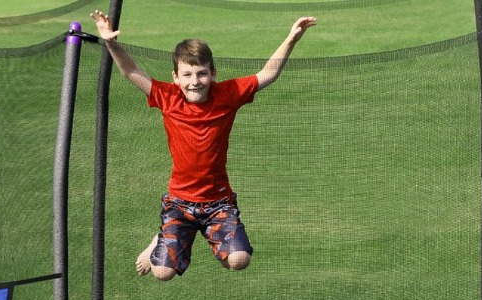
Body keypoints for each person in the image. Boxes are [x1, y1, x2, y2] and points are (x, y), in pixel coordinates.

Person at [90, 10, 318, 280]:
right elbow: (131, 71)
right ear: (175, 77)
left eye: (201, 74)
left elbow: (268, 73)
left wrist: (291, 38)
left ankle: (205, 238)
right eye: (187, 75)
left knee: (239, 260)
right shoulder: (167, 97)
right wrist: (111, 42)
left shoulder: (228, 94)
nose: (194, 81)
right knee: (162, 273)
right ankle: (162, 236)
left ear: (213, 73)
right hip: (179, 203)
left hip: (218, 202)